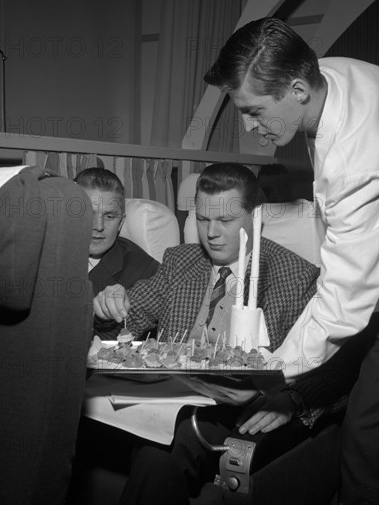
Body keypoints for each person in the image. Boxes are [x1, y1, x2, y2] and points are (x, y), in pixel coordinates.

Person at [203, 18, 379, 505]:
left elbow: (343, 306)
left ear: (297, 88)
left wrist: (266, 374)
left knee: (372, 428)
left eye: (253, 111)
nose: (248, 125)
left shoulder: (362, 160)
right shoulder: (330, 73)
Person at [93, 162, 323, 504]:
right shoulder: (181, 262)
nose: (211, 233)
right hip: (166, 396)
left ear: (255, 217)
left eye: (225, 221)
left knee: (165, 449)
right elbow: (131, 315)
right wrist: (110, 306)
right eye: (202, 219)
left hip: (233, 408)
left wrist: (292, 399)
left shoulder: (295, 276)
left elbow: (336, 365)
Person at [75, 167, 159, 339]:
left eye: (110, 217)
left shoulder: (145, 272)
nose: (98, 226)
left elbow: (124, 343)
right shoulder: (43, 254)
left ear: (121, 223)